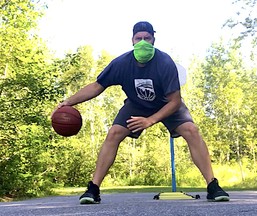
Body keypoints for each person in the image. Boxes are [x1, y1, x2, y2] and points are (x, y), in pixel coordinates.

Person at [55, 21, 230, 204]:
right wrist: (67, 102)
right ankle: (93, 189)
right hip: (136, 105)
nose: (143, 42)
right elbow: (97, 86)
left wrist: (151, 120)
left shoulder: (164, 62)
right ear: (132, 40)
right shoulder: (121, 63)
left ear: (154, 40)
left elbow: (175, 100)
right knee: (114, 133)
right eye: (139, 38)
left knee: (192, 131)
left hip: (166, 104)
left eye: (147, 38)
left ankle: (212, 185)